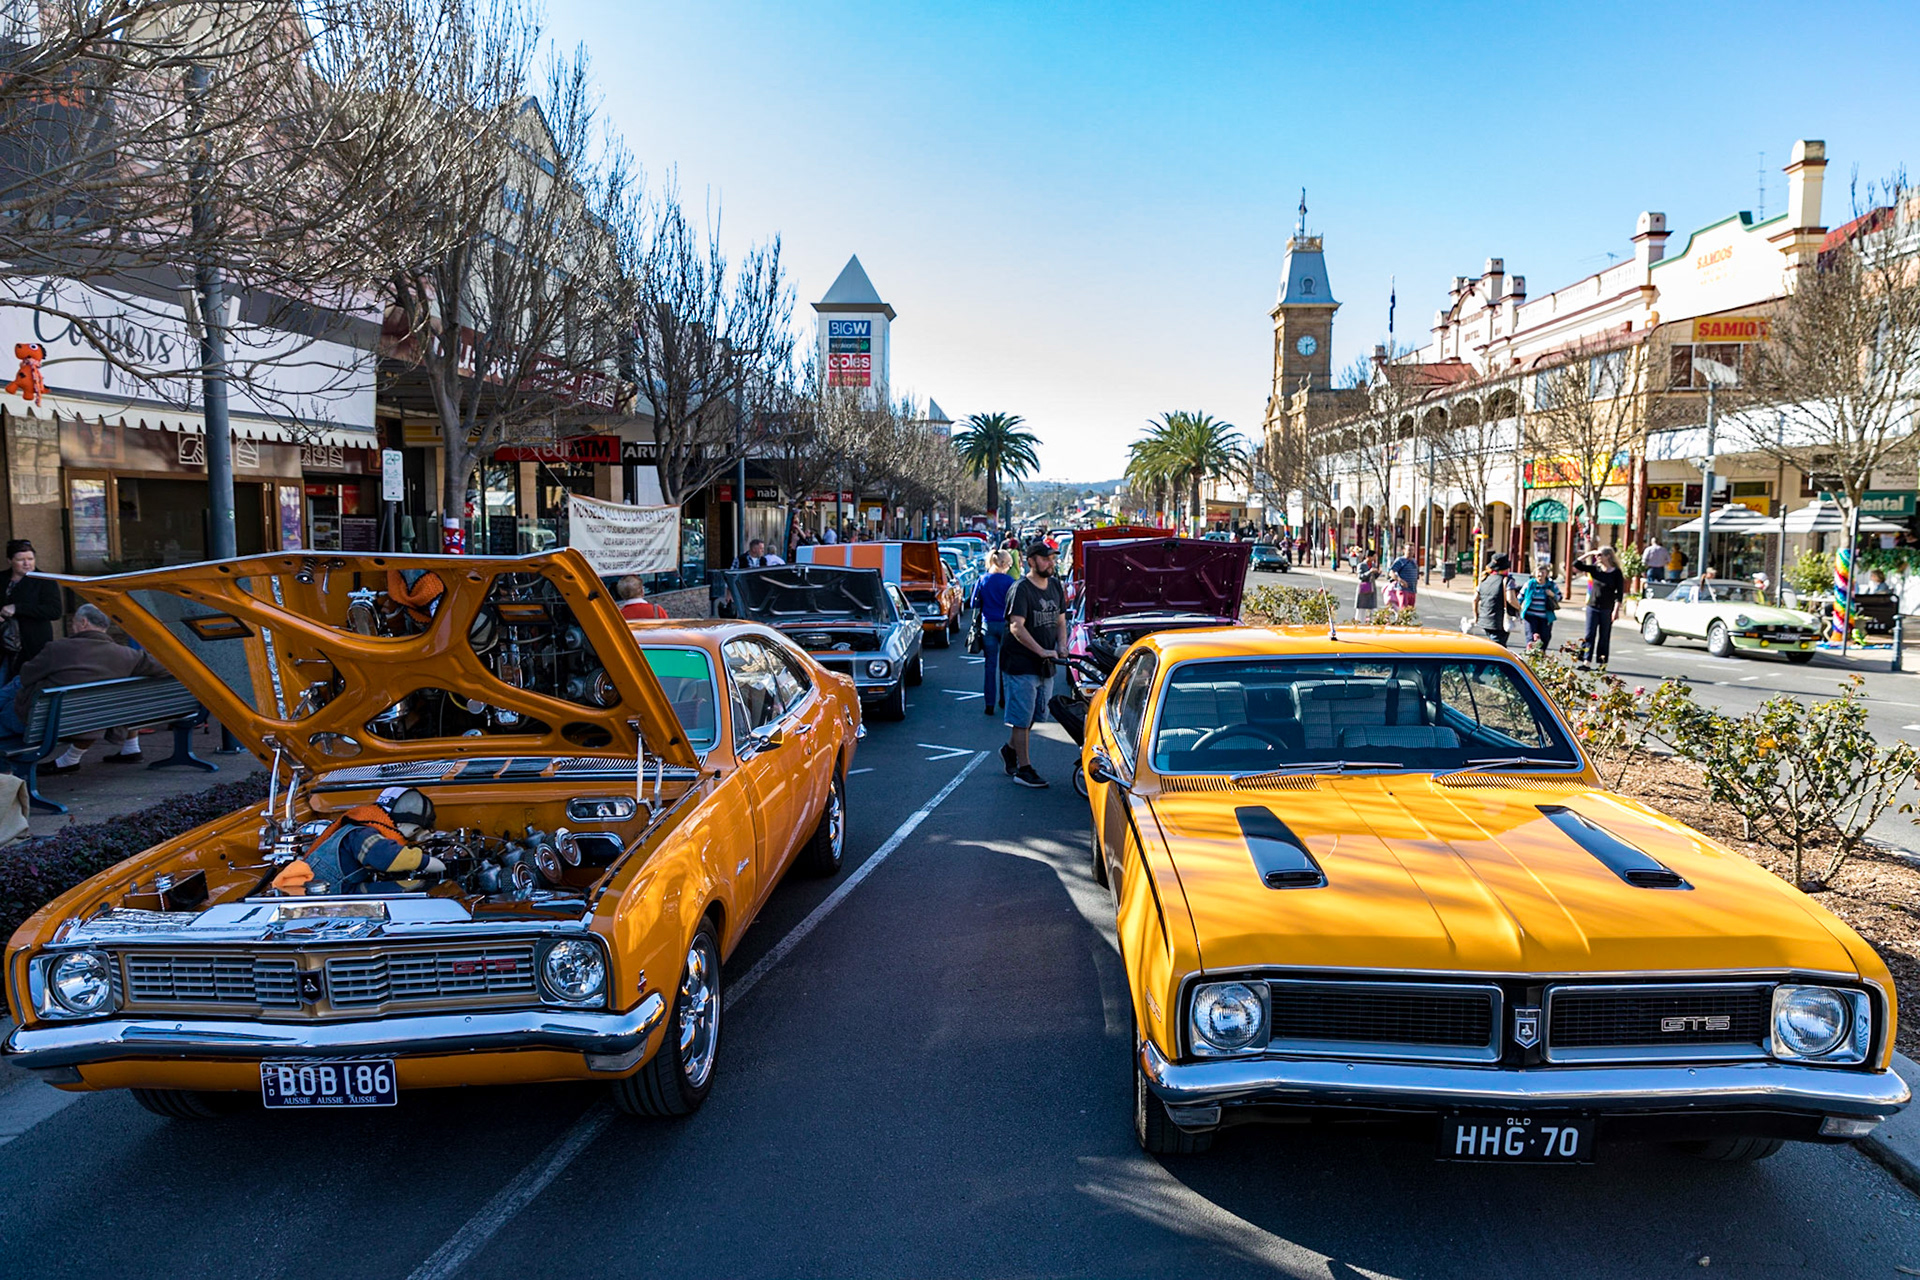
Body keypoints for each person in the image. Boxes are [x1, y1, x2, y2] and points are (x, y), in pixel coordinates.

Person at [0, 603, 169, 770]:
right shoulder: (127, 655)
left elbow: (27, 675)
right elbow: (167, 668)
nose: (73, 626)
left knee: (15, 688)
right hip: (88, 723)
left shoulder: (57, 648)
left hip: (41, 723)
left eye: (74, 622)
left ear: (83, 623)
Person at [270, 786, 447, 896]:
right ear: (400, 824)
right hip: (332, 893)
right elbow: (386, 857)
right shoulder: (363, 834)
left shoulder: (366, 824)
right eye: (415, 831)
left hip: (343, 887)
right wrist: (429, 862)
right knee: (411, 890)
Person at [999, 540, 1067, 788]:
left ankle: (1009, 749)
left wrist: (1062, 645)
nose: (1051, 562)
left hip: (1045, 663)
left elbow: (1061, 621)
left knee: (1038, 714)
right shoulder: (1021, 589)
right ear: (1031, 561)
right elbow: (1016, 626)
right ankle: (1024, 769)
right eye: (1046, 558)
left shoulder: (1056, 587)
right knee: (1021, 717)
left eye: (1053, 558)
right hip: (1021, 662)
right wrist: (1041, 651)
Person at [1, 539, 61, 679]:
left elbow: (54, 611)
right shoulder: (2, 579)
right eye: (20, 559)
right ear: (10, 560)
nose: (27, 563)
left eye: (30, 559)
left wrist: (18, 608)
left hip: (31, 642)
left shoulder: (45, 580)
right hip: (3, 642)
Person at [972, 550, 1017, 715]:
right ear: (1005, 564)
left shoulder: (983, 579)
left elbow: (973, 603)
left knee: (990, 665)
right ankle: (1004, 699)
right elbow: (1015, 604)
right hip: (1005, 624)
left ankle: (988, 704)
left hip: (987, 624)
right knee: (1005, 665)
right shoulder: (1009, 581)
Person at [1572, 546, 1626, 668]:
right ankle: (1586, 661)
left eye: (1600, 555)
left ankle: (1602, 663)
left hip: (1607, 608)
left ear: (1608, 556)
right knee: (1589, 635)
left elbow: (1620, 593)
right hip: (1592, 606)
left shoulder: (1616, 573)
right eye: (1597, 555)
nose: (1597, 557)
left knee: (1604, 636)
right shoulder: (1595, 569)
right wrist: (1590, 552)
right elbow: (1576, 564)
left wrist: (1616, 610)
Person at [1516, 564, 1562, 651]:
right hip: (1530, 616)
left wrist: (1552, 595)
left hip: (1545, 617)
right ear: (1535, 573)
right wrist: (1516, 609)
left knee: (1545, 637)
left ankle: (1541, 655)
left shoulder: (1551, 585)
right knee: (1531, 637)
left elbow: (1560, 597)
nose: (1540, 575)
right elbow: (1520, 597)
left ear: (1547, 574)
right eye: (1538, 572)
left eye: (1543, 573)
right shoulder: (1529, 584)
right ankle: (1530, 655)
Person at [1474, 554, 1517, 647]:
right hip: (1499, 621)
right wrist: (1520, 608)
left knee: (1489, 645)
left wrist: (1476, 616)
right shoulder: (1507, 580)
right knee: (1498, 647)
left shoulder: (1485, 579)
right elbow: (1511, 599)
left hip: (1484, 619)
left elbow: (1475, 599)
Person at [1355, 554, 1379, 621]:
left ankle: (1373, 622)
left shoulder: (1373, 565)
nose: (1374, 558)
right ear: (1368, 557)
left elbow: (1374, 577)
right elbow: (1360, 576)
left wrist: (1377, 573)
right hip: (1364, 588)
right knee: (1361, 608)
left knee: (1373, 608)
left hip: (1372, 588)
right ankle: (1358, 622)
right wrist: (1369, 572)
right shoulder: (1361, 565)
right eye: (1373, 556)